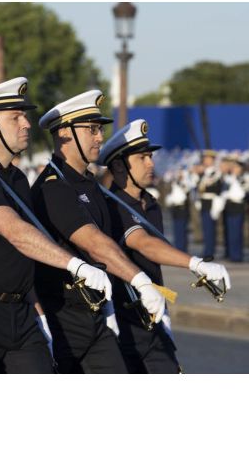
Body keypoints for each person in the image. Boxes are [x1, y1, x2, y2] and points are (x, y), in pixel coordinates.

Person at [0, 77, 112, 374]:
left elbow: (19, 259)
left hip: (20, 313)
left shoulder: (18, 178)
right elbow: (15, 233)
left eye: (24, 115)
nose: (26, 124)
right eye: (15, 117)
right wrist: (76, 264)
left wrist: (39, 314)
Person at [32, 90, 166, 373]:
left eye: (100, 129)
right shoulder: (52, 187)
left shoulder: (90, 184)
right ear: (65, 134)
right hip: (63, 318)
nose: (100, 137)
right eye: (91, 129)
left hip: (95, 316)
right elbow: (94, 243)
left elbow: (125, 238)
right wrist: (140, 280)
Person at [98, 119, 231, 373]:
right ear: (118, 165)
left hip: (152, 314)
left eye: (150, 157)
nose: (151, 163)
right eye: (142, 158)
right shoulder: (111, 204)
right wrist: (195, 263)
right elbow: (143, 243)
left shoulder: (151, 203)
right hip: (124, 322)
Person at [197, 149, 222, 258]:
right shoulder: (204, 173)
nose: (205, 161)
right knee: (206, 228)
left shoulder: (215, 173)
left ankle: (209, 252)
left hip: (211, 202)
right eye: (205, 159)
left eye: (207, 159)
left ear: (212, 160)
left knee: (210, 228)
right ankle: (207, 250)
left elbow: (216, 188)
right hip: (204, 202)